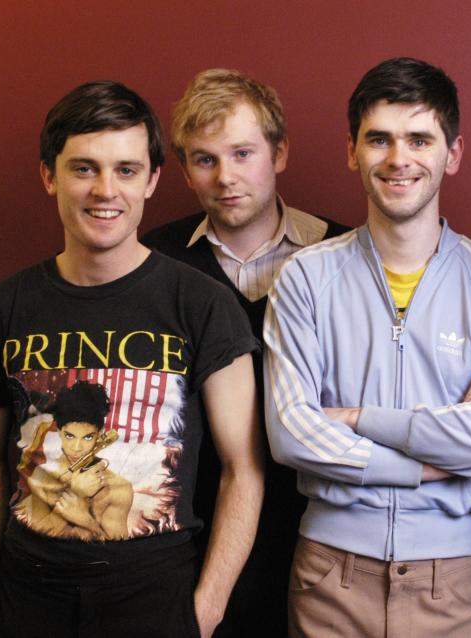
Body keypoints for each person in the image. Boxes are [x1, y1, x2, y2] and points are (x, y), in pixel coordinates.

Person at [0, 80, 264, 638]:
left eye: (125, 169)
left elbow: (243, 469)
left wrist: (206, 608)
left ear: (152, 179)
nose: (105, 190)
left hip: (157, 597)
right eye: (83, 168)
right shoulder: (1, 309)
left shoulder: (202, 306)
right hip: (25, 598)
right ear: (49, 175)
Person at [264, 57, 471, 637]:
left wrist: (359, 418)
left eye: (419, 138)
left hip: (452, 582)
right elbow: (290, 432)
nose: (398, 158)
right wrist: (431, 466)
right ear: (351, 151)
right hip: (328, 575)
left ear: (452, 153)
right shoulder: (304, 279)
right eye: (379, 139)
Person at [142, 68, 348, 637]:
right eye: (205, 159)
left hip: (326, 528)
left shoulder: (348, 253)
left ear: (280, 153)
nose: (226, 177)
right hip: (195, 532)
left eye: (242, 153)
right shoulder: (153, 264)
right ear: (182, 169)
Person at [16, 381, 132, 541]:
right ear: (59, 432)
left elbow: (119, 552)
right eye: (70, 436)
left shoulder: (119, 489)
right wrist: (77, 494)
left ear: (99, 434)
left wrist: (84, 519)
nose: (77, 448)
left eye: (88, 437)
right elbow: (38, 538)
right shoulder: (43, 477)